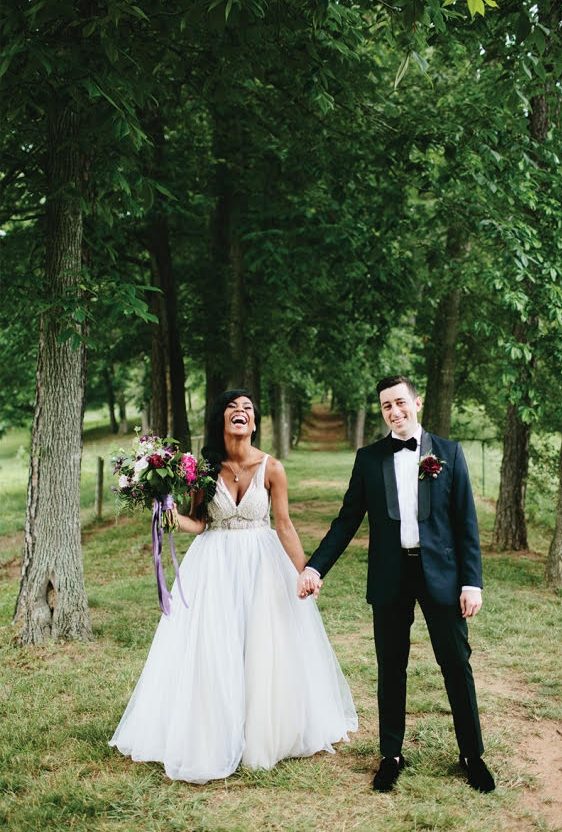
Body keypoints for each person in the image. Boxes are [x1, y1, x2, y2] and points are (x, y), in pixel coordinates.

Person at [110, 389, 357, 783]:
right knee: (214, 645)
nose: (241, 412)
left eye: (248, 409)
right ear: (221, 420)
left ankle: (263, 729)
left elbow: (284, 524)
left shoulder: (272, 468)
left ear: (255, 423)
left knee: (264, 645)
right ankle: (212, 727)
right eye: (232, 408)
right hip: (214, 565)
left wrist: (305, 571)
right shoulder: (204, 469)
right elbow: (199, 522)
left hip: (263, 564)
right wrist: (170, 516)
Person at [297, 376, 495, 793]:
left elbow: (466, 525)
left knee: (456, 664)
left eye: (401, 402)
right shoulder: (369, 459)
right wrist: (315, 568)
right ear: (382, 411)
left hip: (441, 575)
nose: (395, 411)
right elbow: (347, 520)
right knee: (391, 668)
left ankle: (471, 755)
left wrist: (471, 583)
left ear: (417, 402)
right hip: (391, 576)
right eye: (387, 406)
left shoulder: (449, 453)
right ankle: (391, 755)